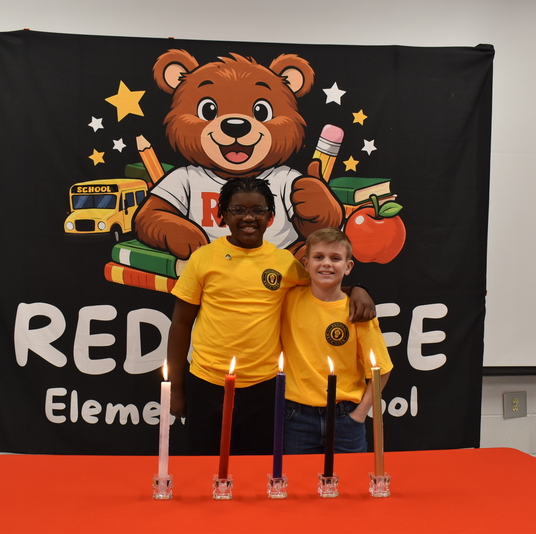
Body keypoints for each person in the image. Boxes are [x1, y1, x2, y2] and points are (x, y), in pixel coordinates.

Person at [166, 177, 376, 455]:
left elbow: (322, 283)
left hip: (265, 388)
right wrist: (177, 389)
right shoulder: (203, 259)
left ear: (271, 217)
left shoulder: (283, 262)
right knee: (204, 464)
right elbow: (181, 323)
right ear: (223, 216)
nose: (248, 217)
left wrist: (358, 288)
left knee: (258, 469)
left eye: (258, 210)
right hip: (207, 383)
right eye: (238, 210)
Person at [281, 227, 392, 454]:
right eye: (318, 257)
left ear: (348, 266)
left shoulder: (357, 311)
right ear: (305, 263)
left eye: (335, 258)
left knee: (350, 485)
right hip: (295, 418)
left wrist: (359, 415)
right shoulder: (287, 300)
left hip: (345, 418)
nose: (326, 264)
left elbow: (381, 369)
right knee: (297, 486)